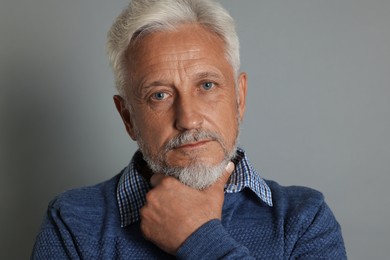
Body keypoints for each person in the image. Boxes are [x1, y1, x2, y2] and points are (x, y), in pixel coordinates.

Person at [32, 0, 346, 259]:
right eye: (159, 95)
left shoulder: (304, 219)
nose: (189, 119)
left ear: (239, 98)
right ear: (128, 117)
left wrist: (199, 238)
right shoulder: (72, 222)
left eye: (206, 85)